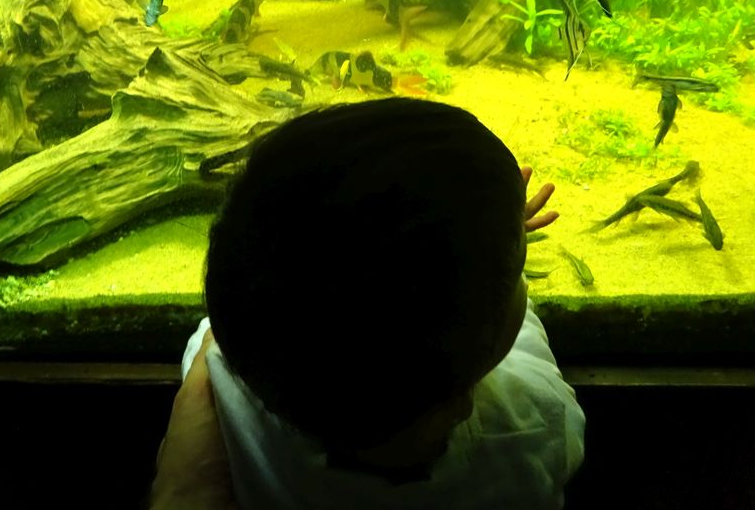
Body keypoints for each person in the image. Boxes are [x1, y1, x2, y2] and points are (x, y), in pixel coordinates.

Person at [149, 97, 584, 509]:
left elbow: (222, 330)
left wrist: (482, 249)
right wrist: (500, 247)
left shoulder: (229, 404)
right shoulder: (535, 433)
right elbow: (523, 339)